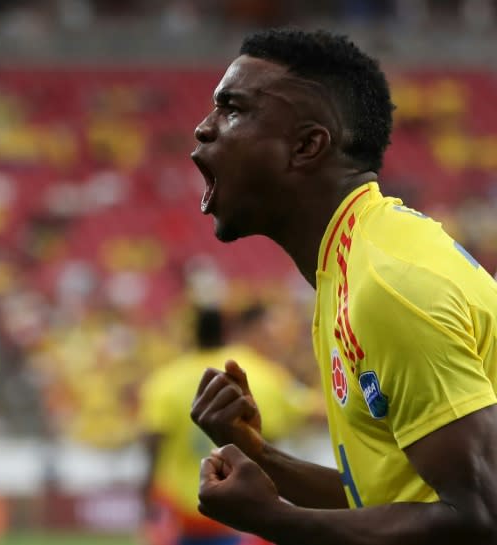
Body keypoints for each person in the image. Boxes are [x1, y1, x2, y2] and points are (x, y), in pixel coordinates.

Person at [188, 27, 497, 544]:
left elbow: (477, 517)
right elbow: (397, 501)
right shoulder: (350, 266)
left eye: (233, 109)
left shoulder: (389, 285)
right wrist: (264, 459)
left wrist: (273, 520)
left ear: (307, 146)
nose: (203, 129)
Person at [139, 305, 316, 545]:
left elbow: (153, 447)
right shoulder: (261, 373)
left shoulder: (165, 381)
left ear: (192, 333)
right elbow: (279, 436)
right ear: (227, 330)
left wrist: (145, 504)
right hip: (244, 512)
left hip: (185, 513)